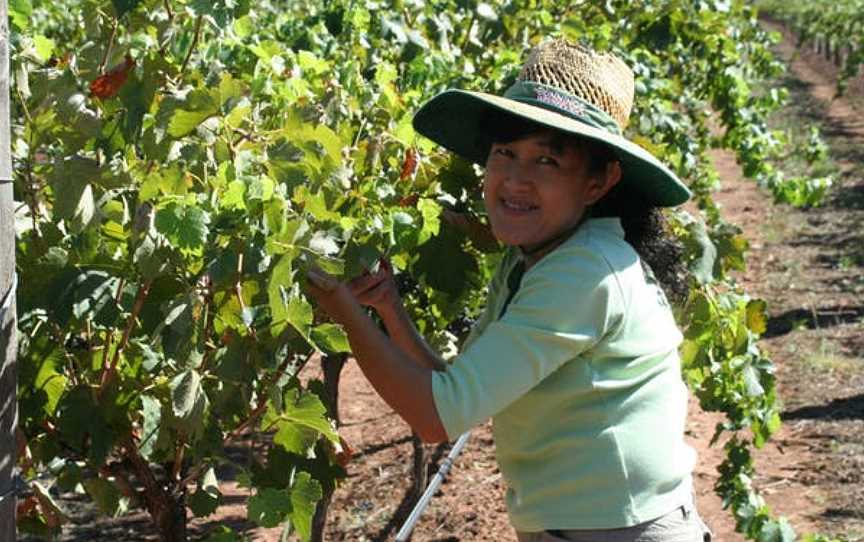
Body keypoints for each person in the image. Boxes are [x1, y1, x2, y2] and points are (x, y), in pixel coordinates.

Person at [306, 39, 712, 542]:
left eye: (547, 162)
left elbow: (436, 418)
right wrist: (388, 308)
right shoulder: (533, 259)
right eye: (505, 154)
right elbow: (458, 390)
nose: (515, 180)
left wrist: (345, 312)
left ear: (598, 182)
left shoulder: (583, 273)